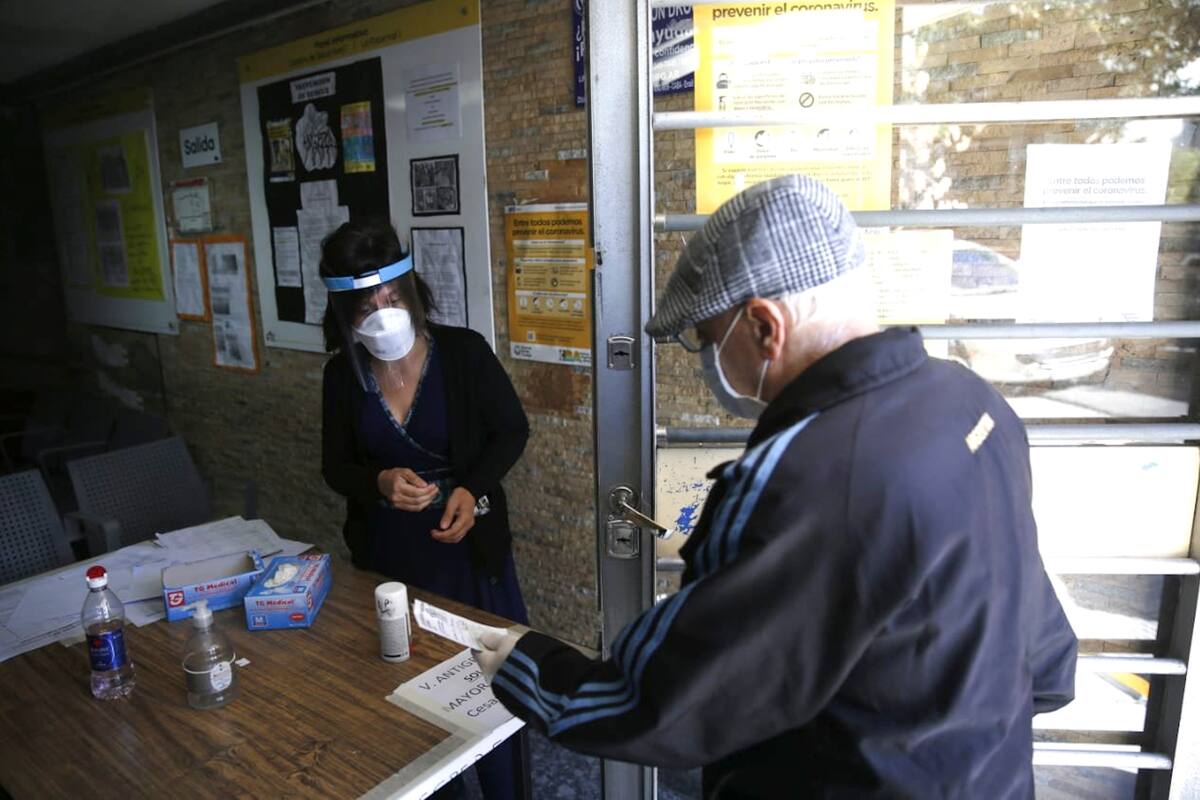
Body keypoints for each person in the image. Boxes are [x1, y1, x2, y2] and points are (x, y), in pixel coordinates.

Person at [477, 175, 1078, 798]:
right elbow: (1044, 652)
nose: (707, 359)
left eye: (706, 339)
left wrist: (530, 667)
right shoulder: (970, 400)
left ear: (765, 326)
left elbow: (668, 700)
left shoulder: (802, 478)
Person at [319, 218, 530, 800]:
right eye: (365, 307)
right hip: (390, 561)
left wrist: (473, 491)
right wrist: (379, 481)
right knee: (410, 701)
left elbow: (511, 431)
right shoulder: (343, 375)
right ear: (343, 313)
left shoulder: (463, 353)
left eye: (391, 298)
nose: (382, 314)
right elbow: (335, 467)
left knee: (491, 697)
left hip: (468, 550)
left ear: (411, 290)